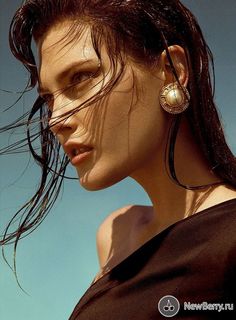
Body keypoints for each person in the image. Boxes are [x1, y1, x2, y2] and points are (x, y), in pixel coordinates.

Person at [1, 0, 236, 318]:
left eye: (81, 78)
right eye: (48, 98)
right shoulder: (117, 235)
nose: (56, 119)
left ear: (172, 71)